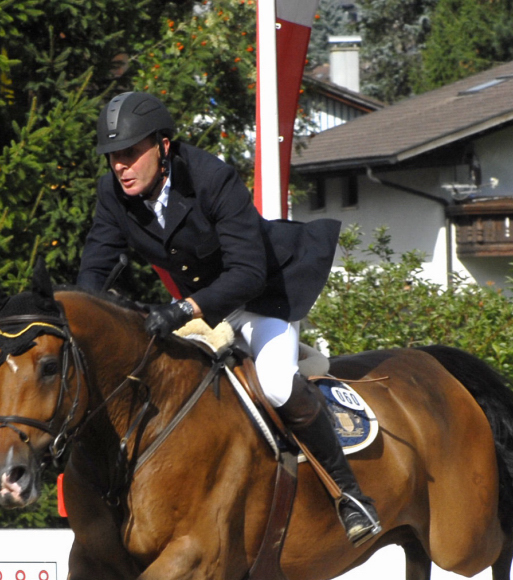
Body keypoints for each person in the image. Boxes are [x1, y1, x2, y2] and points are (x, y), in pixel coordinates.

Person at [77, 91, 381, 546]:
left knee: (275, 385)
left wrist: (184, 309)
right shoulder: (113, 194)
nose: (120, 166)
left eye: (130, 153)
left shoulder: (211, 178)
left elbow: (247, 273)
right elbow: (95, 270)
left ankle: (350, 495)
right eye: (113, 157)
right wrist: (82, 320)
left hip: (262, 297)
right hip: (201, 307)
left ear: (162, 146)